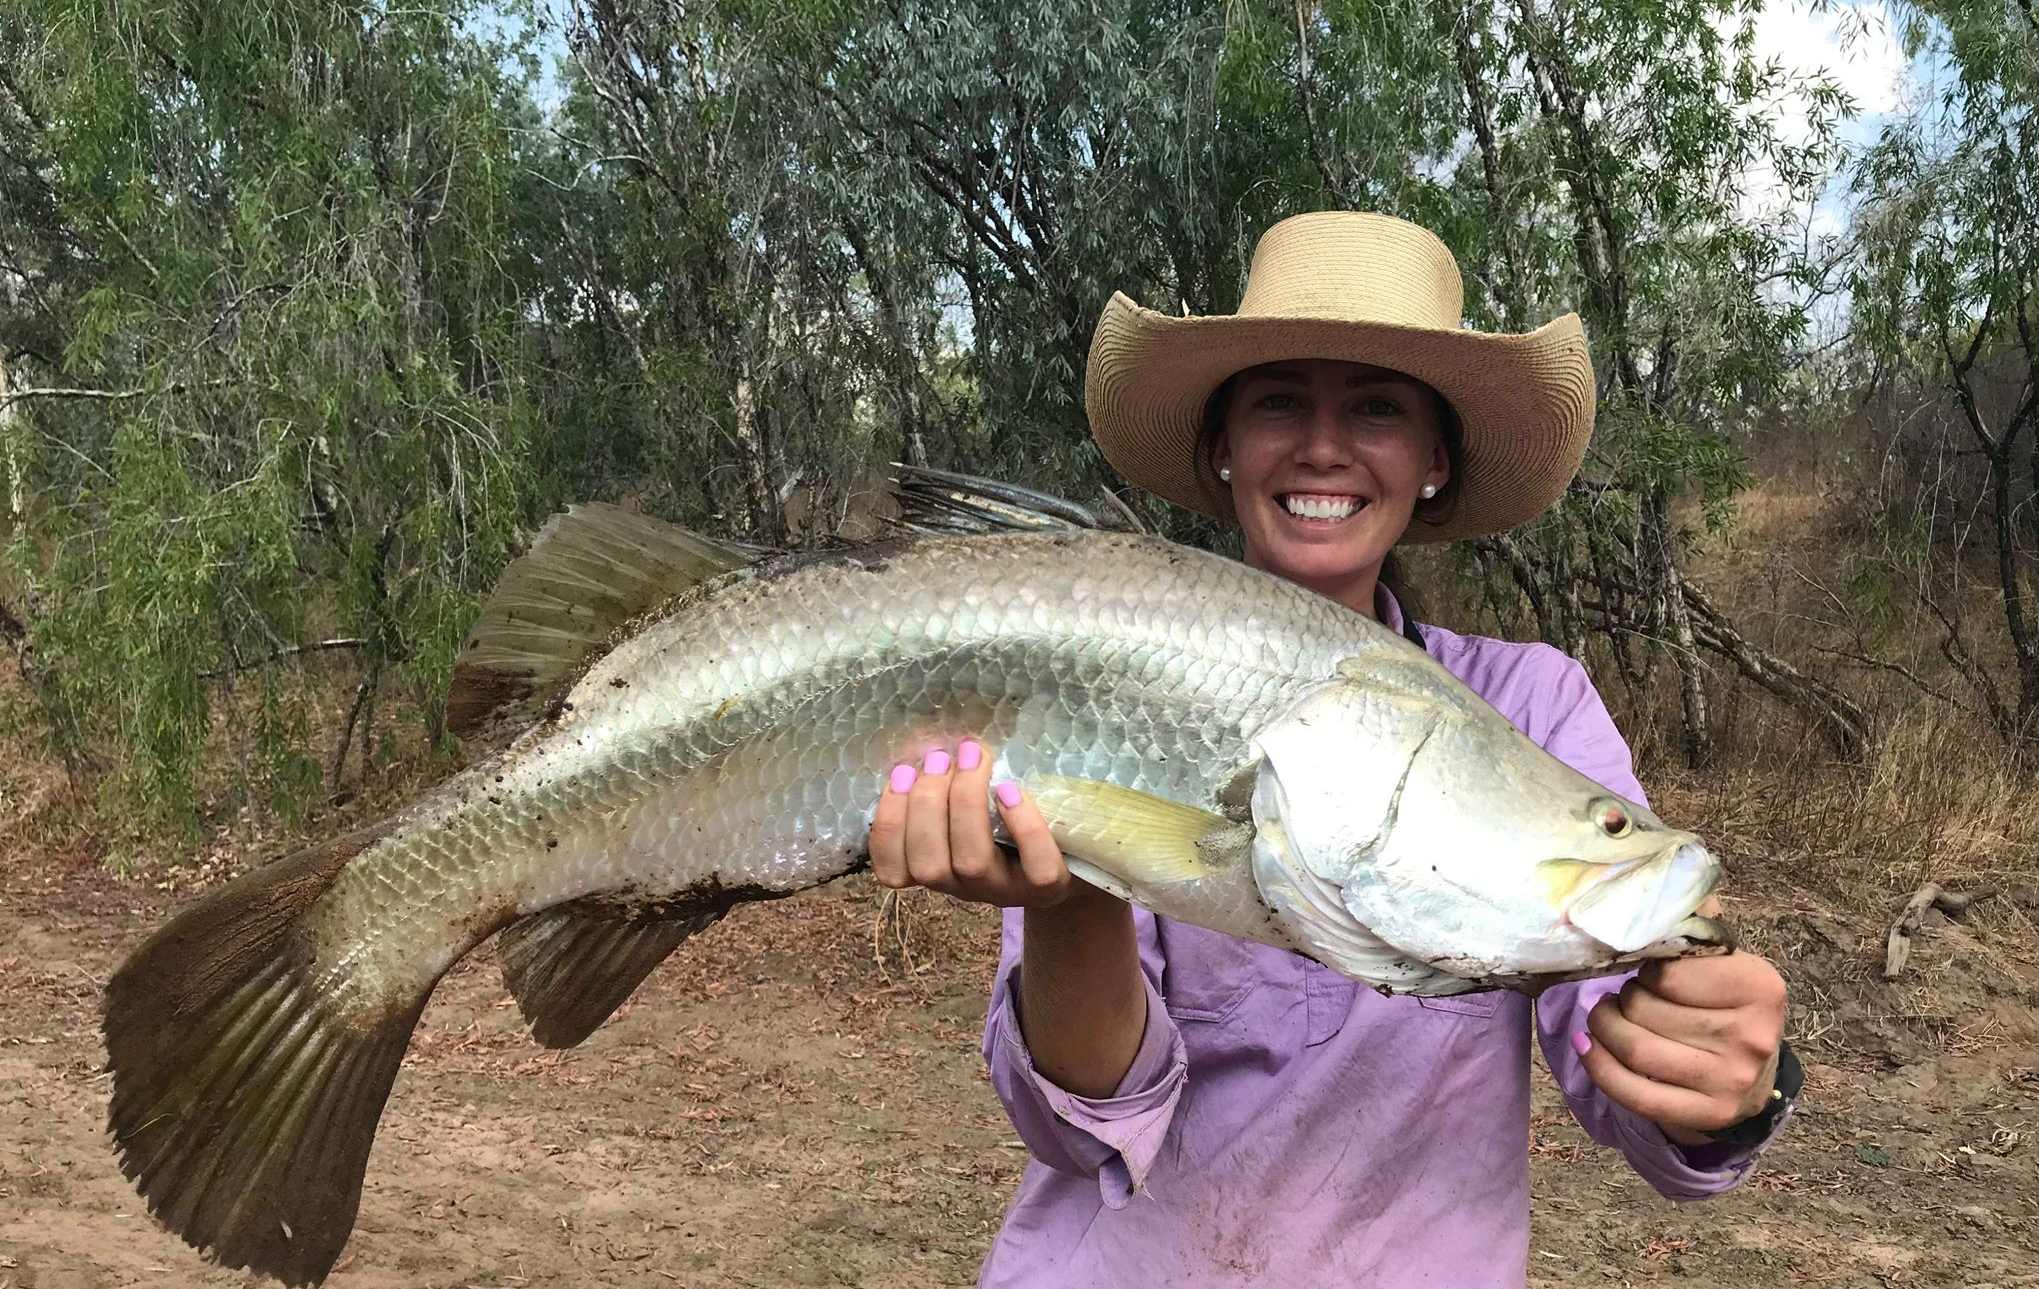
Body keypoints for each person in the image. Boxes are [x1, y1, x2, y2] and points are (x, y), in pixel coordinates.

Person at [866, 211, 1798, 1287]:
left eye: (1376, 406)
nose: (1322, 445)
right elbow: (1088, 1123)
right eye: (1277, 400)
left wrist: (1729, 1074)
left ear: (1433, 458)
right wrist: (1073, 898)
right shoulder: (1096, 660)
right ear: (1221, 444)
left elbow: (1628, 1068)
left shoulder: (1534, 703)